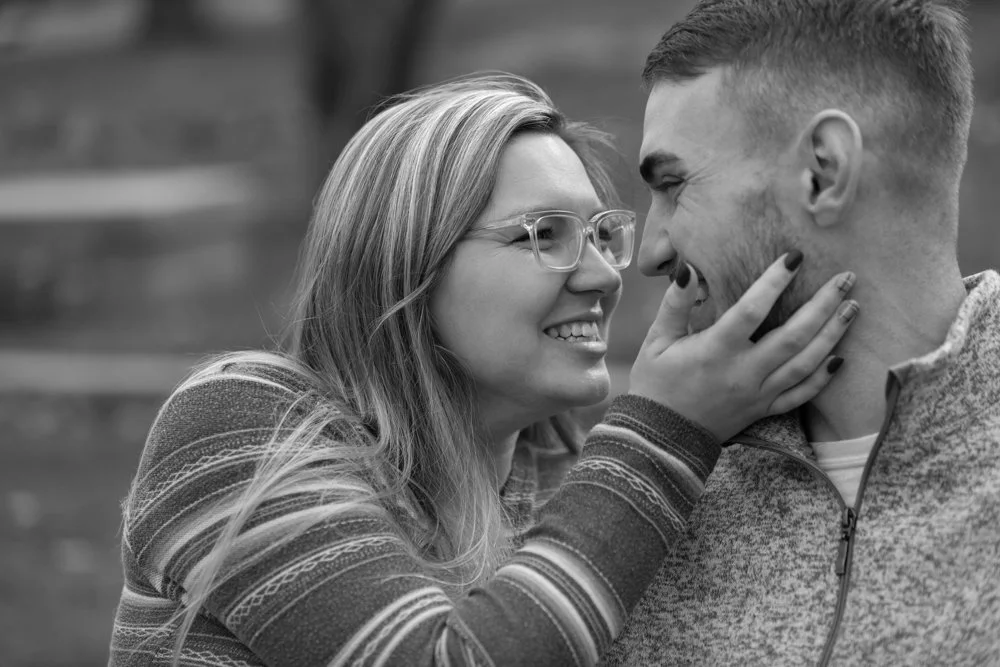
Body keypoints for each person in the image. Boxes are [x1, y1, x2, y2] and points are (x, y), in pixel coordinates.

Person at [107, 73, 857, 666]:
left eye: (601, 233)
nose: (602, 275)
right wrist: (663, 435)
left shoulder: (557, 474)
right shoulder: (240, 431)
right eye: (545, 235)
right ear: (409, 264)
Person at [605, 1, 1000, 665]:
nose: (649, 251)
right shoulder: (639, 510)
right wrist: (645, 455)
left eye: (673, 185)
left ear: (824, 170)